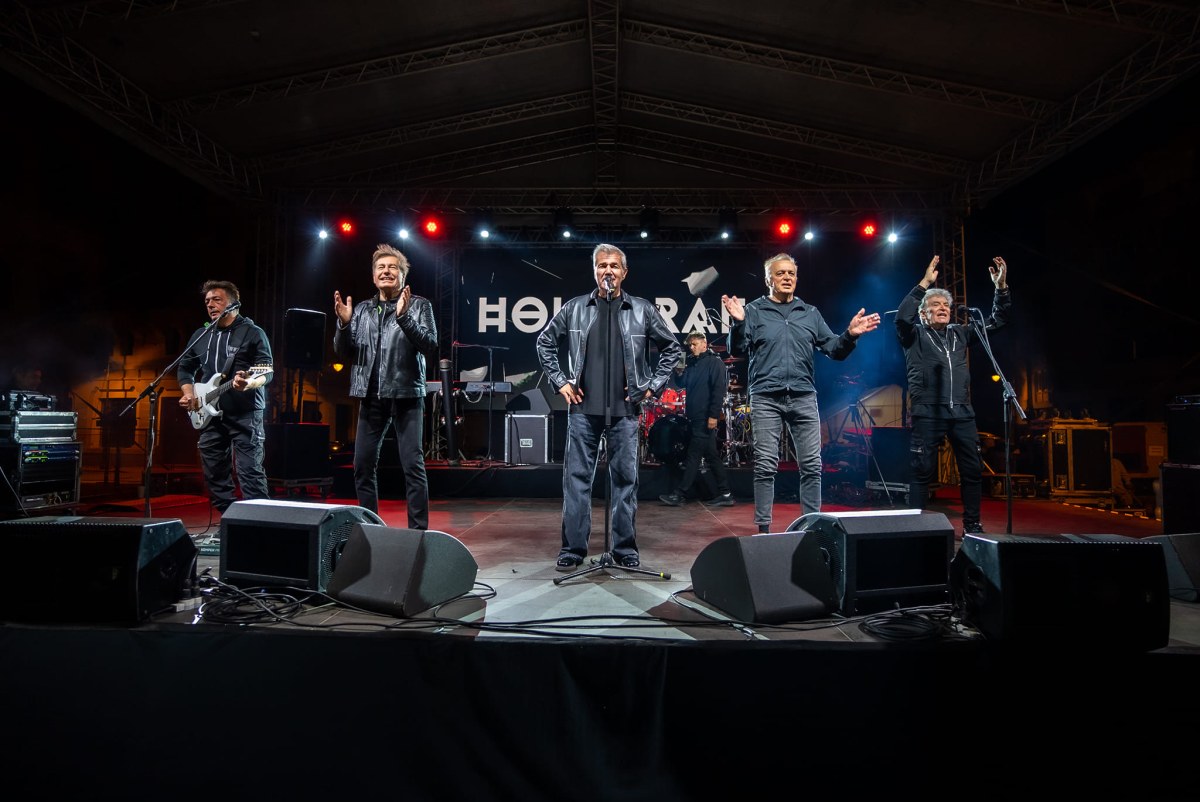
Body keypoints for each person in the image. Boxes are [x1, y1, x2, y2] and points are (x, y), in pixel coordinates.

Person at [536, 244, 683, 571]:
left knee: (625, 482)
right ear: (595, 271)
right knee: (576, 482)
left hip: (626, 412)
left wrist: (651, 385)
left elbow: (672, 349)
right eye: (602, 265)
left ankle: (624, 549)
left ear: (624, 272)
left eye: (614, 266)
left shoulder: (642, 309)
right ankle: (573, 549)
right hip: (582, 411)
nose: (608, 271)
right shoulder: (575, 308)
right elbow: (545, 342)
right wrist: (560, 381)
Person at [721, 254, 881, 533]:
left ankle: (812, 529)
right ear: (769, 279)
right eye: (780, 273)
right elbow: (736, 349)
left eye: (791, 273)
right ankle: (764, 531)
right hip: (766, 397)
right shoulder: (754, 311)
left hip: (803, 396)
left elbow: (834, 350)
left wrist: (850, 335)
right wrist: (738, 323)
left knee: (812, 466)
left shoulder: (810, 313)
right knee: (765, 466)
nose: (787, 277)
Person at [895, 254, 1011, 535]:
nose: (943, 308)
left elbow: (999, 320)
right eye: (935, 305)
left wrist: (1001, 288)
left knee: (971, 470)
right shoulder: (913, 335)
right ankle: (916, 528)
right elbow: (902, 317)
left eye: (946, 305)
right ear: (924, 313)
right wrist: (924, 283)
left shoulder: (961, 333)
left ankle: (972, 525)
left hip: (962, 412)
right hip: (928, 412)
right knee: (922, 471)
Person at [333, 243, 438, 529]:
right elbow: (343, 352)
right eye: (381, 267)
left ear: (403, 275)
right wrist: (344, 325)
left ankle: (418, 532)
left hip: (406, 395)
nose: (386, 271)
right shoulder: (362, 310)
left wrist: (404, 318)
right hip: (371, 397)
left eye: (393, 267)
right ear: (373, 275)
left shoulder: (419, 306)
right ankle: (371, 528)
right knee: (362, 466)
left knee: (412, 466)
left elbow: (430, 345)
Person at [178, 280, 274, 513]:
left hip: (245, 413)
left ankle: (259, 524)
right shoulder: (201, 335)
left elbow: (267, 371)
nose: (210, 305)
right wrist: (189, 394)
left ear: (233, 304)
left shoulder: (252, 333)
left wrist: (249, 383)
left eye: (217, 300)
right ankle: (229, 520)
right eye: (207, 301)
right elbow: (185, 367)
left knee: (249, 472)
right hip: (209, 414)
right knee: (214, 473)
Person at [658, 331, 735, 508]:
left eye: (694, 344)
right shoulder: (692, 363)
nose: (691, 348)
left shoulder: (715, 363)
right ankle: (726, 494)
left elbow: (718, 391)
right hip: (694, 415)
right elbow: (681, 384)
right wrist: (678, 372)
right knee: (711, 456)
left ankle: (680, 494)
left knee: (693, 456)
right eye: (690, 345)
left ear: (704, 344)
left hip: (705, 416)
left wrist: (713, 415)